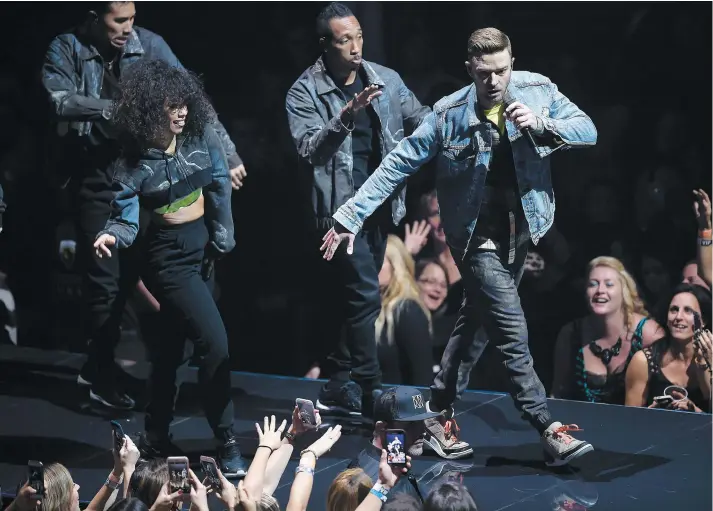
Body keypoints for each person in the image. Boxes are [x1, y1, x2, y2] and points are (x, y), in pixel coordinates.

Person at [321, 27, 598, 465]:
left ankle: (438, 411)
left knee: (478, 322)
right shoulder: (447, 115)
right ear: (470, 68)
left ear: (512, 63)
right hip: (475, 237)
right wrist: (350, 215)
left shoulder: (538, 90)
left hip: (523, 229)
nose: (495, 81)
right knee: (509, 325)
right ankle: (546, 425)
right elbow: (397, 164)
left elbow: (588, 130)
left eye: (502, 71)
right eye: (485, 73)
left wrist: (543, 125)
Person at [41, 1, 246, 410]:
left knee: (162, 270)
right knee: (107, 280)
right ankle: (100, 374)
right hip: (97, 174)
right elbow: (60, 100)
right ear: (94, 18)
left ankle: (164, 371)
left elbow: (194, 100)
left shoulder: (150, 44)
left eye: (132, 19)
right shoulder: (65, 48)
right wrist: (117, 111)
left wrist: (229, 153)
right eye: (119, 21)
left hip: (146, 171)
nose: (127, 28)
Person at [92, 59, 245, 475]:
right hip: (168, 258)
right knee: (215, 344)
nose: (179, 112)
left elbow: (217, 183)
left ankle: (155, 435)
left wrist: (222, 235)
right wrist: (111, 235)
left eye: (182, 103)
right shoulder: (133, 163)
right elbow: (123, 218)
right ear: (147, 109)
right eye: (168, 106)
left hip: (203, 249)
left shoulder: (200, 135)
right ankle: (227, 438)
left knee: (172, 350)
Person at [285, 2, 430, 419]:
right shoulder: (304, 91)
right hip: (338, 214)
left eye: (359, 36)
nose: (355, 47)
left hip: (380, 205)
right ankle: (371, 390)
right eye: (344, 39)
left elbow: (419, 117)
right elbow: (309, 150)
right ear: (325, 45)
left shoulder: (385, 78)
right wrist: (346, 117)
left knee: (347, 300)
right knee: (365, 295)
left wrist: (447, 122)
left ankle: (337, 385)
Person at [551, 256, 663, 404]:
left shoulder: (649, 333)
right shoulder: (571, 334)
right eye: (593, 284)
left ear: (623, 291)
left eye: (609, 284)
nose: (600, 290)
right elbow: (558, 393)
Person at [349, 386, 447, 502]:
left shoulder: (390, 463)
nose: (423, 431)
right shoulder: (373, 482)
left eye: (422, 423)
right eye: (411, 424)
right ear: (382, 427)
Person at [625, 283, 712, 412]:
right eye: (674, 310)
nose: (678, 317)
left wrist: (695, 411)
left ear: (703, 321)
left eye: (688, 311)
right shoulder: (643, 361)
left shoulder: (710, 359)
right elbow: (628, 420)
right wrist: (652, 414)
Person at [377, 235, 434, 386]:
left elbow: (422, 376)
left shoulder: (408, 311)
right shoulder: (369, 307)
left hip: (397, 405)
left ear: (395, 267)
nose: (369, 265)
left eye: (378, 260)